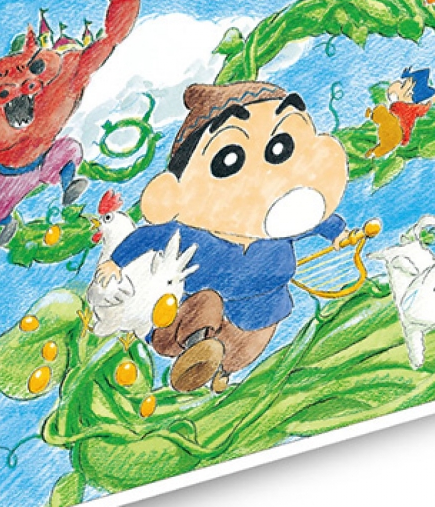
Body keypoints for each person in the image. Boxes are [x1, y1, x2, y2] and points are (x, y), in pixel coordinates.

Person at [95, 81, 349, 392]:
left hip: (265, 301)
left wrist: (338, 232)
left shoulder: (279, 226)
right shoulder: (191, 234)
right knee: (207, 304)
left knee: (254, 336)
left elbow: (315, 222)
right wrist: (115, 262)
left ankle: (223, 370)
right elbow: (150, 236)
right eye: (229, 161)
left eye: (281, 148)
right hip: (194, 310)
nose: (262, 179)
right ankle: (195, 353)